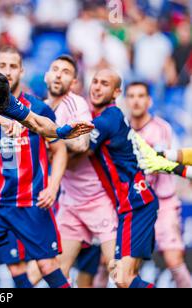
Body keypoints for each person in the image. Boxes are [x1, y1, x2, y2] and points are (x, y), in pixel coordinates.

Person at [0, 46, 70, 289]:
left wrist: (52, 188)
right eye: (2, 66)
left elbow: (59, 150)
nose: (8, 72)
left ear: (22, 71)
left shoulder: (38, 108)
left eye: (13, 66)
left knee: (46, 266)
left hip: (30, 201)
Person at [44, 55, 118, 283]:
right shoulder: (40, 109)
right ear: (46, 75)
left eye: (65, 71)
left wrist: (52, 137)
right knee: (59, 271)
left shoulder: (76, 104)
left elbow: (82, 143)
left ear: (74, 81)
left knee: (119, 273)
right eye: (55, 69)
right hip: (70, 202)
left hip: (98, 199)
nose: (58, 74)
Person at [87, 69, 158, 288]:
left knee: (122, 278)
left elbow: (81, 148)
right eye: (95, 82)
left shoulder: (107, 119)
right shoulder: (111, 117)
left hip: (135, 204)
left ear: (117, 92)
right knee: (126, 278)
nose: (98, 87)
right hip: (137, 202)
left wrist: (54, 134)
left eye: (105, 84)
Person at [126, 82, 191, 288]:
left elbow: (162, 163)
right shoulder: (121, 129)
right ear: (125, 100)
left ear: (149, 100)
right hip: (134, 206)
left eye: (141, 95)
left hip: (162, 203)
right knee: (119, 265)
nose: (136, 100)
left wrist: (162, 162)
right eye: (132, 96)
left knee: (174, 260)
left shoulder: (161, 128)